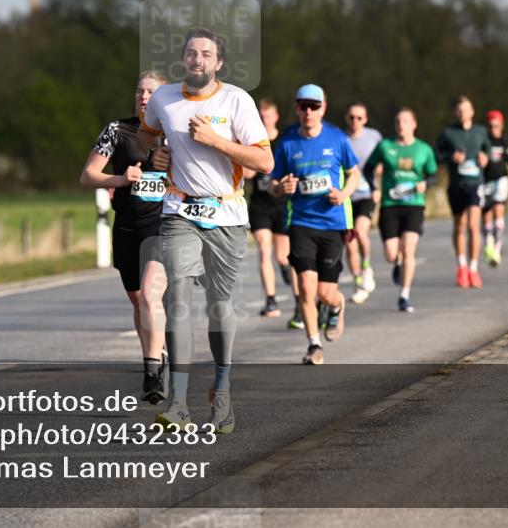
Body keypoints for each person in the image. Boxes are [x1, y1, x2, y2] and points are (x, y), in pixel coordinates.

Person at [143, 27, 272, 433]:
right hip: (179, 209)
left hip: (227, 216)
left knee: (219, 305)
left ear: (218, 63)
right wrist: (156, 154)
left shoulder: (237, 100)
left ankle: (222, 388)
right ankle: (178, 403)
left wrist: (216, 141)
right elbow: (147, 131)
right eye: (191, 53)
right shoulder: (163, 98)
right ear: (183, 60)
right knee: (177, 294)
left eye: (206, 54)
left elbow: (264, 162)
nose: (197, 60)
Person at [79, 71, 169, 404]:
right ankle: (157, 351)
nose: (144, 97)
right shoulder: (117, 131)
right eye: (139, 92)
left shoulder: (175, 133)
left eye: (151, 92)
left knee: (149, 295)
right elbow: (87, 177)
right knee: (139, 300)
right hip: (127, 228)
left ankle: (151, 371)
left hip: (162, 227)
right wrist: (120, 179)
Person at [271, 84, 360, 365]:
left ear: (323, 108)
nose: (308, 112)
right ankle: (314, 344)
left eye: (314, 106)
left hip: (333, 223)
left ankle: (337, 305)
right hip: (300, 222)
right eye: (303, 106)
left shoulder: (337, 139)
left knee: (325, 292)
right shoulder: (287, 143)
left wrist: (344, 194)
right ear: (297, 108)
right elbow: (272, 182)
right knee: (306, 287)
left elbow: (354, 173)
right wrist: (280, 187)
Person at [363, 108, 438, 313]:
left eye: (405, 121)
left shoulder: (423, 149)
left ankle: (404, 295)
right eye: (397, 121)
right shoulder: (385, 146)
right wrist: (374, 187)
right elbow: (368, 168)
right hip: (390, 205)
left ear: (414, 124)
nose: (400, 125)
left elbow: (433, 175)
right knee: (391, 253)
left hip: (414, 204)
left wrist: (425, 183)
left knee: (408, 250)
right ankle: (396, 264)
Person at [244, 99, 295, 319]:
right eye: (261, 116)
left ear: (276, 117)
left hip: (282, 205)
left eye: (267, 116)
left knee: (283, 256)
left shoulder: (284, 142)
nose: (264, 120)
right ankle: (271, 300)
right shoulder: (253, 141)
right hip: (260, 206)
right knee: (265, 250)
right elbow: (247, 174)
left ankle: (299, 298)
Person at [436, 96, 490, 289]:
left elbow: (488, 152)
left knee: (474, 226)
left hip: (475, 183)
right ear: (455, 113)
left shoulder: (481, 131)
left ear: (472, 111)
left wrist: (485, 158)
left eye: (466, 110)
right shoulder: (448, 133)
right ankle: (462, 267)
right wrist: (451, 157)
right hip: (456, 184)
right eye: (459, 110)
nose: (462, 113)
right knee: (459, 225)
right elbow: (437, 155)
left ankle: (474, 268)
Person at [343, 102, 382, 303]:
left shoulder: (374, 137)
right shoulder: (341, 139)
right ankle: (358, 281)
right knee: (350, 243)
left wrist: (379, 186)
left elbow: (384, 159)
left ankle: (367, 267)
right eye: (351, 117)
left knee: (360, 232)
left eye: (359, 118)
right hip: (347, 197)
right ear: (346, 119)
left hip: (367, 194)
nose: (355, 121)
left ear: (365, 119)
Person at [481, 110, 508, 268]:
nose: (494, 129)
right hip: (485, 180)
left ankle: (497, 249)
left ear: (501, 125)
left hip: (501, 179)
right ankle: (488, 241)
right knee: (486, 214)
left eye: (497, 126)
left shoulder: (506, 140)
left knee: (498, 209)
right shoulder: (483, 140)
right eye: (491, 126)